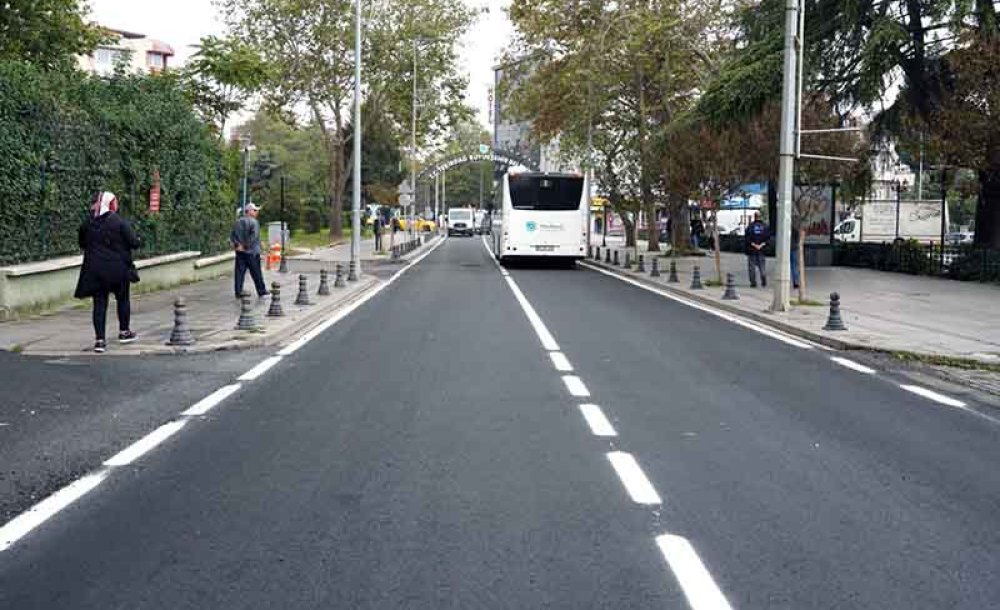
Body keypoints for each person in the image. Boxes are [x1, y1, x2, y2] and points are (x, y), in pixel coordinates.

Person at [74, 191, 141, 353]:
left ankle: (100, 341)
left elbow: (82, 243)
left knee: (99, 304)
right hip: (118, 269)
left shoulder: (87, 224)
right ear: (111, 204)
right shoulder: (119, 222)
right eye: (115, 202)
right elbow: (133, 243)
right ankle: (124, 332)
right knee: (123, 299)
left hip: (96, 271)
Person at [230, 203, 268, 298]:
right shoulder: (254, 222)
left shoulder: (238, 221)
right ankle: (261, 290)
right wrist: (246, 246)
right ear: (249, 211)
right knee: (256, 272)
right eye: (255, 210)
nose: (257, 212)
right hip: (252, 252)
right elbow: (253, 237)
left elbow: (233, 235)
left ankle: (238, 291)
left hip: (240, 252)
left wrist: (237, 245)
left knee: (239, 273)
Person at [745, 211, 770, 287]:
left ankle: (753, 282)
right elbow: (768, 238)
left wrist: (754, 245)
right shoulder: (765, 226)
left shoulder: (750, 226)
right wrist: (761, 245)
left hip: (752, 250)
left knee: (751, 267)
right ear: (761, 217)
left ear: (754, 217)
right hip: (761, 250)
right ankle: (763, 278)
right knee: (762, 266)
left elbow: (747, 239)